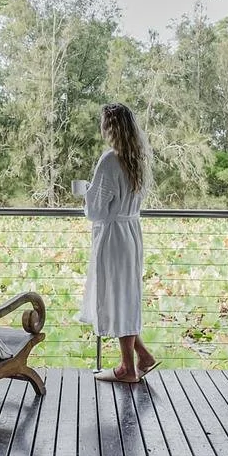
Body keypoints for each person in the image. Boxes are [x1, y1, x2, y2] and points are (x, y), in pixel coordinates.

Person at [74, 103, 158, 384]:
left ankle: (127, 369)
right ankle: (141, 357)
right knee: (126, 297)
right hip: (131, 233)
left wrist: (86, 194)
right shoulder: (139, 160)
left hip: (113, 238)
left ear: (109, 128)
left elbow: (96, 209)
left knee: (116, 298)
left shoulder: (110, 160)